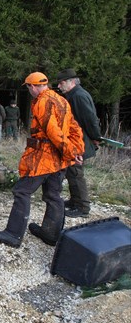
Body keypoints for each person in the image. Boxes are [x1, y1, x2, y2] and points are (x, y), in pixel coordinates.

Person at [0, 72, 84, 248]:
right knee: (53, 194)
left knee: (22, 191)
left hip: (43, 157)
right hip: (59, 158)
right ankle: (51, 234)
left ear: (32, 86)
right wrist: (76, 150)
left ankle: (13, 234)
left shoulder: (42, 102)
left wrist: (70, 153)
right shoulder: (62, 100)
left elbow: (53, 132)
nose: (29, 91)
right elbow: (75, 128)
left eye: (28, 87)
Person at [57, 68, 101, 218]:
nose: (59, 86)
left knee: (76, 173)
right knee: (71, 172)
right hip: (75, 140)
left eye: (61, 83)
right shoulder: (74, 94)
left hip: (79, 141)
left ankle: (82, 207)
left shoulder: (78, 96)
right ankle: (75, 200)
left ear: (70, 82)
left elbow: (90, 119)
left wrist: (96, 137)